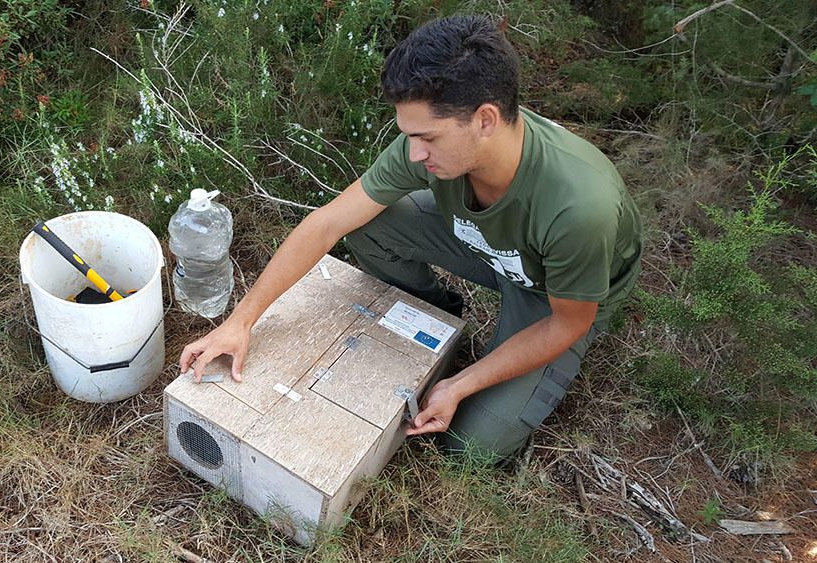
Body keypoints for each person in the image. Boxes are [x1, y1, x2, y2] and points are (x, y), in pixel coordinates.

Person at [179, 14, 643, 458]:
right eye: (409, 135)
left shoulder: (579, 207)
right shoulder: (429, 144)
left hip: (550, 293)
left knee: (471, 450)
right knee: (370, 222)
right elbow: (329, 222)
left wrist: (460, 385)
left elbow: (568, 323)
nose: (415, 152)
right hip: (483, 244)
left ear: (485, 120)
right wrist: (241, 322)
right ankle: (439, 321)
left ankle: (467, 364)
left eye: (429, 138)